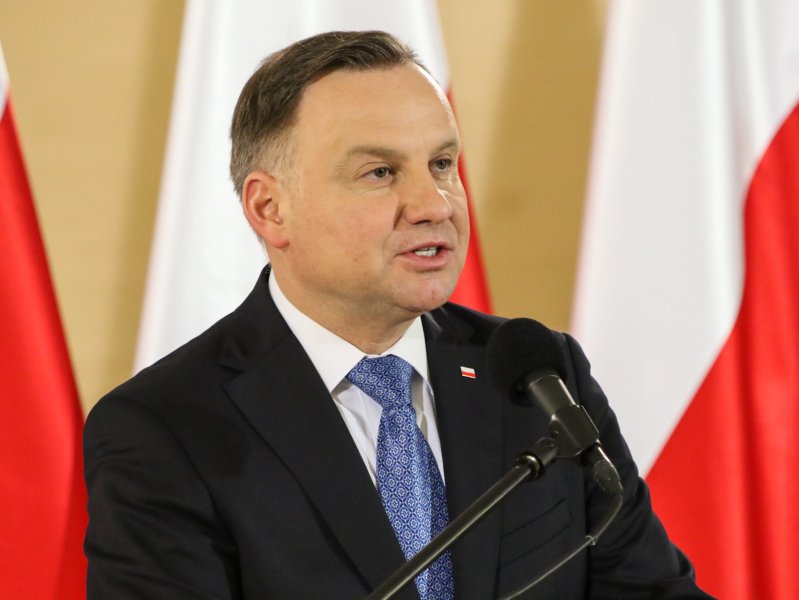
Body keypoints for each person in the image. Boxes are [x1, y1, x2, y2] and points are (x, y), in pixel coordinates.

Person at [83, 30, 712, 599]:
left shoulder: (539, 378)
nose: (434, 204)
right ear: (270, 209)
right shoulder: (166, 429)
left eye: (441, 164)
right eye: (380, 172)